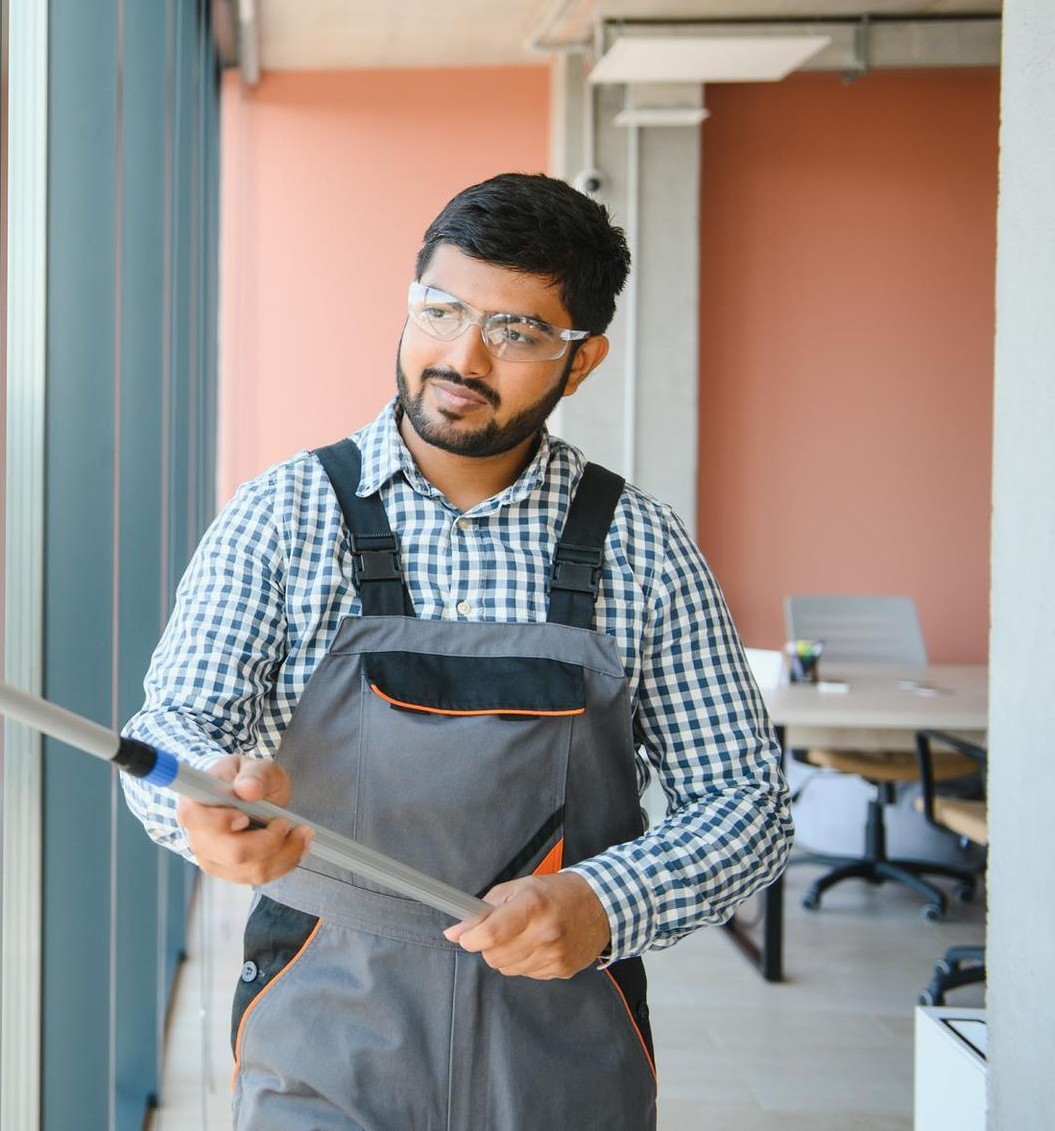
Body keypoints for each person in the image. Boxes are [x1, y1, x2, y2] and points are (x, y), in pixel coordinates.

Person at [120, 173, 791, 1130]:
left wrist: (608, 901)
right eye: (441, 309)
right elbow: (172, 724)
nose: (462, 356)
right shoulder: (283, 515)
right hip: (324, 1024)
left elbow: (746, 801)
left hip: (564, 1040)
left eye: (515, 333)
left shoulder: (642, 546)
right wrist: (197, 804)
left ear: (583, 358)